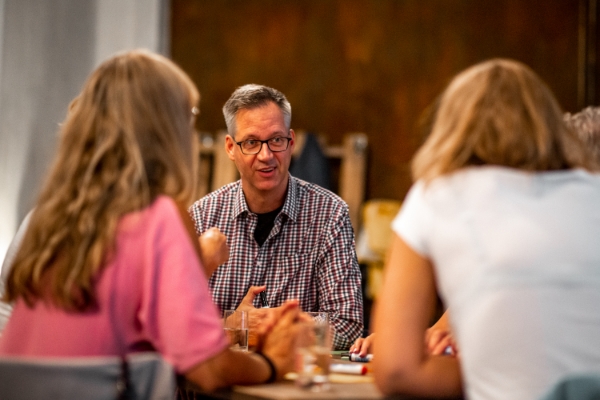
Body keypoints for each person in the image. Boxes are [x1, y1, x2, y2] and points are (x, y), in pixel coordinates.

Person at [0, 50, 303, 391]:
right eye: (187, 115)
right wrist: (273, 362)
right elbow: (209, 368)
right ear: (166, 131)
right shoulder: (159, 216)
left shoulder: (52, 218)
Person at [372, 58, 600, 400]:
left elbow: (397, 371)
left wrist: (488, 372)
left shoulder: (437, 196)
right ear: (552, 126)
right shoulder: (592, 191)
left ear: (451, 130)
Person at [188, 84, 363, 350]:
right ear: (231, 148)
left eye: (276, 140)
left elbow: (348, 324)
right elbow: (176, 326)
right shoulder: (202, 217)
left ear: (291, 142)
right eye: (251, 143)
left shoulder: (329, 214)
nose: (266, 155)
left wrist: (278, 327)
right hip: (222, 375)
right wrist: (234, 327)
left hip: (293, 375)